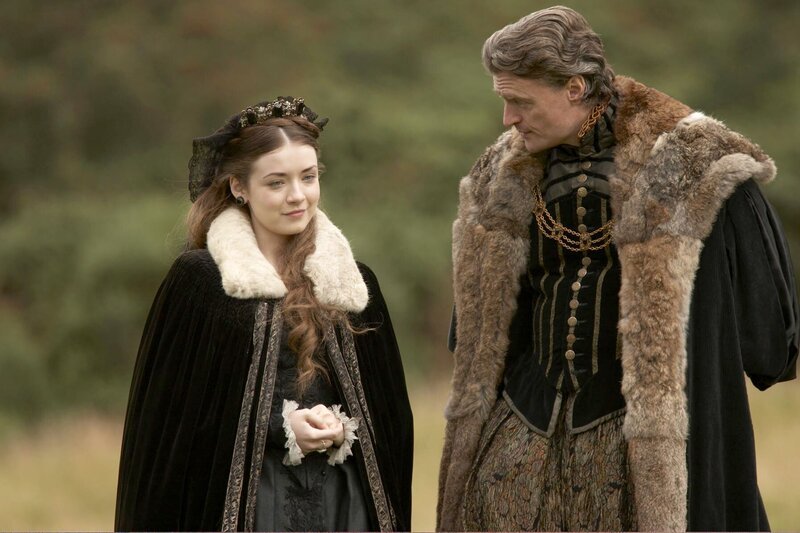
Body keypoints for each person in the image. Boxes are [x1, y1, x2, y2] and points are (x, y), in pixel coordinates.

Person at [438, 6, 798, 532]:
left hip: (645, 458)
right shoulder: (500, 178)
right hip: (515, 448)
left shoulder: (697, 166)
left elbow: (771, 344)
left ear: (575, 87)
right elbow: (477, 336)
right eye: (504, 100)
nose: (508, 119)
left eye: (521, 101)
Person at [115, 96, 413, 532]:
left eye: (308, 177)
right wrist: (280, 424)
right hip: (248, 505)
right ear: (239, 187)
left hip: (343, 504)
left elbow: (389, 420)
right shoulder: (202, 282)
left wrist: (339, 425)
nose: (297, 196)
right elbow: (173, 424)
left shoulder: (352, 283)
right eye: (276, 183)